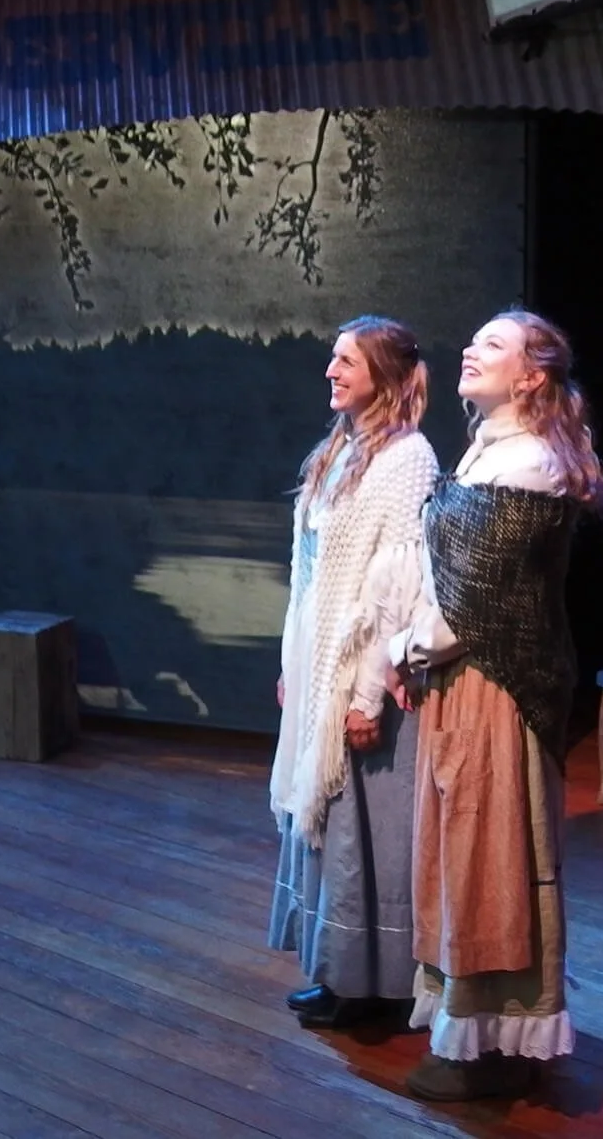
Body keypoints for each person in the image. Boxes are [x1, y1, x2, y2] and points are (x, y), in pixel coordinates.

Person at [386, 309, 603, 1103]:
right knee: (462, 852)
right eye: (470, 338)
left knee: (495, 856)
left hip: (497, 681)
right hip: (461, 680)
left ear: (532, 375)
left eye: (492, 344)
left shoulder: (530, 465)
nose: (468, 351)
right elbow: (448, 577)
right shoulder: (489, 453)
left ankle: (495, 1040)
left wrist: (413, 648)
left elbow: (475, 602)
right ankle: (472, 1029)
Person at [267, 315, 440, 1027]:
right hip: (320, 663)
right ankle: (341, 974)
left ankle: (377, 988)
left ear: (385, 376)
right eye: (332, 360)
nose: (331, 373)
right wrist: (292, 666)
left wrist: (367, 693)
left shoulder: (408, 460)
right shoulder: (340, 452)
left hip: (366, 676)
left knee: (365, 829)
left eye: (347, 362)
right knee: (329, 824)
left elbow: (396, 589)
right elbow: (309, 575)